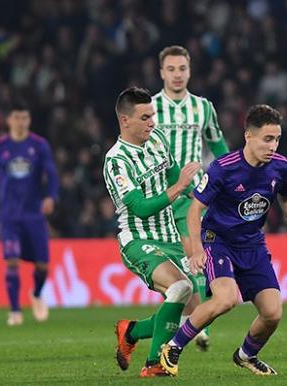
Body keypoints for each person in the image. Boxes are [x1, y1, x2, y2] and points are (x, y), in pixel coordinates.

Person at [158, 104, 287, 377]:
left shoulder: (280, 167)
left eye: (277, 139)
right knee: (226, 299)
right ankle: (173, 346)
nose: (273, 145)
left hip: (253, 244)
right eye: (268, 139)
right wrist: (197, 250)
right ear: (249, 136)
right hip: (217, 240)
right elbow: (195, 209)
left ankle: (246, 355)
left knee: (273, 313)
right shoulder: (224, 168)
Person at [104, 87, 202, 377]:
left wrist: (200, 197)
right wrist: (179, 188)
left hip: (169, 235)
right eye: (145, 117)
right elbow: (139, 207)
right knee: (180, 287)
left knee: (193, 313)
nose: (152, 122)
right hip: (137, 238)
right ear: (125, 120)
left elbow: (174, 176)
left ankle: (131, 331)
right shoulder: (116, 161)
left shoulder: (157, 139)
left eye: (153, 115)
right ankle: (154, 364)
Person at [151, 45, 230, 350]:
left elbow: (219, 147)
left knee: (192, 253)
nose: (177, 74)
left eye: (181, 68)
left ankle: (191, 323)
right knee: (177, 267)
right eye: (171, 69)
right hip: (158, 195)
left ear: (189, 70)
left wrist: (234, 179)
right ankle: (190, 322)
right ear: (161, 73)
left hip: (193, 194)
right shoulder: (150, 108)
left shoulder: (203, 107)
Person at [0, 100, 58, 326]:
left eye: (25, 118)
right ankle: (14, 311)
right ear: (9, 120)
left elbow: (51, 174)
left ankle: (36, 294)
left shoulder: (40, 145)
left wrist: (51, 197)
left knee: (42, 266)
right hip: (9, 215)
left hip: (34, 214)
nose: (21, 122)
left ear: (29, 120)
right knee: (11, 261)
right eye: (17, 118)